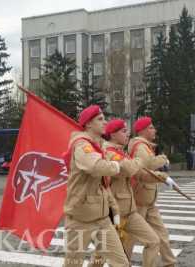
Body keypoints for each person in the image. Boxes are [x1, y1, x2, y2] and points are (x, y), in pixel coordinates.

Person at [90, 119, 163, 267]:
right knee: (102, 255)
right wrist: (142, 159)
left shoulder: (120, 152)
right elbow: (128, 169)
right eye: (123, 131)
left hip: (130, 211)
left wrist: (159, 177)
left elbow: (138, 174)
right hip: (113, 213)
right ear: (112, 135)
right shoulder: (108, 153)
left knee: (154, 241)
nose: (127, 133)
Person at [63, 105, 129, 267]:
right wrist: (116, 165)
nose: (104, 122)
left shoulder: (97, 146)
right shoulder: (82, 145)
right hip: (80, 219)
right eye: (100, 119)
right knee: (73, 264)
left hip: (101, 219)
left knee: (121, 263)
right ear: (88, 124)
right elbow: (96, 167)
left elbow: (102, 185)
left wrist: (113, 208)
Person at [127, 116, 177, 267]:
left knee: (161, 234)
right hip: (140, 200)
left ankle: (170, 263)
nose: (154, 130)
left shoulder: (146, 146)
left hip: (149, 201)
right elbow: (146, 165)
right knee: (130, 239)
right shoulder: (140, 145)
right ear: (142, 131)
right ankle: (121, 263)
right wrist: (163, 159)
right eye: (151, 127)